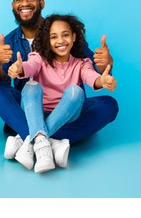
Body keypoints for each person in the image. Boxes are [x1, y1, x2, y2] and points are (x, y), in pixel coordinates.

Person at [0, 0, 119, 168]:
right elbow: (25, 68)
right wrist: (1, 63)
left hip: (67, 109)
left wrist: (106, 67)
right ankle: (52, 142)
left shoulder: (62, 31)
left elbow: (92, 71)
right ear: (13, 5)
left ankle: (28, 139)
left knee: (108, 105)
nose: (25, 4)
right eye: (19, 0)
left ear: (41, 3)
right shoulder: (12, 42)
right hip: (30, 107)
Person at [7, 14, 118, 173]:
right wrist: (19, 68)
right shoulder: (39, 57)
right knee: (31, 86)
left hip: (65, 115)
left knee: (76, 91)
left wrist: (103, 80)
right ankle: (48, 143)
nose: (60, 41)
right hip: (36, 112)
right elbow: (29, 66)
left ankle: (28, 141)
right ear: (47, 41)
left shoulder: (82, 63)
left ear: (73, 37)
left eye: (65, 35)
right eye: (53, 37)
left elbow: (91, 77)